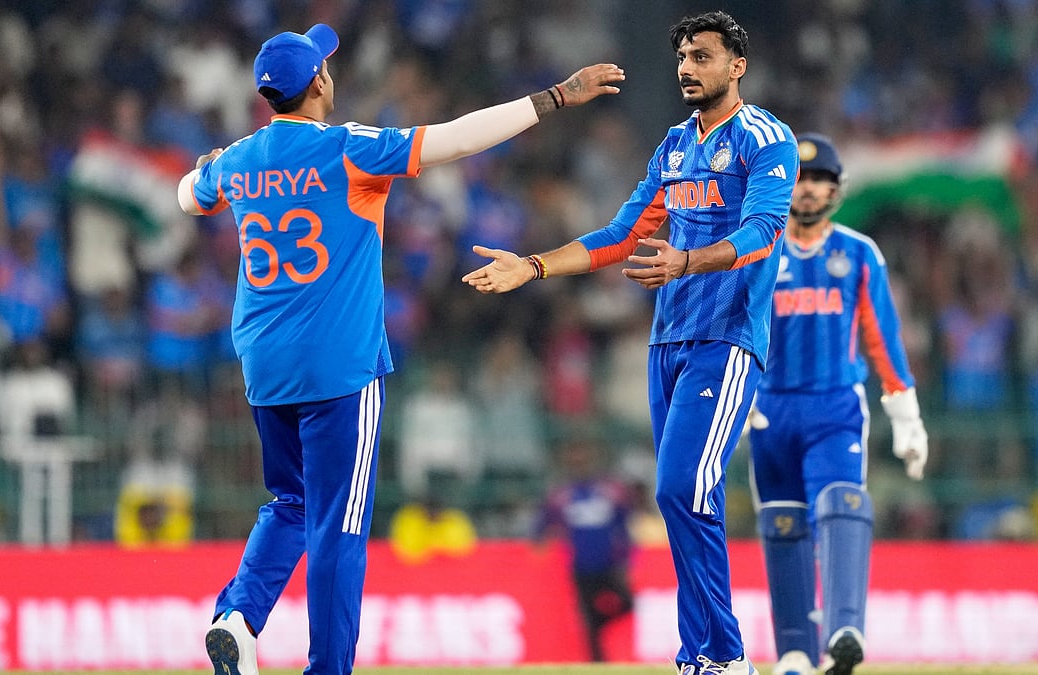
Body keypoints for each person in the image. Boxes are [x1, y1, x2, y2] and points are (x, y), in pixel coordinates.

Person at [176, 22, 624, 675]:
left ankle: (237, 617)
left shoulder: (240, 158)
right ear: (319, 82)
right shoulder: (350, 148)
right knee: (338, 523)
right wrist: (553, 97)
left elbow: (189, 197)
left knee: (290, 503)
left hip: (265, 362)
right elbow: (457, 137)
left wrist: (204, 169)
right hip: (340, 365)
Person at [463, 11, 796, 675]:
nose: (686, 68)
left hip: (727, 338)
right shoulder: (674, 146)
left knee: (680, 486)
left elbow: (764, 231)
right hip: (666, 341)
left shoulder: (765, 138)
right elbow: (622, 234)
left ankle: (725, 654)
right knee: (686, 498)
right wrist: (533, 266)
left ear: (737, 66)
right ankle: (700, 657)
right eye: (682, 57)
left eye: (702, 56)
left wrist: (686, 261)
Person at [743, 133, 929, 675]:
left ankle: (844, 631)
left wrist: (906, 415)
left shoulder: (859, 253)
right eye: (800, 179)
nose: (808, 190)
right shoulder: (756, 249)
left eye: (820, 180)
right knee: (782, 524)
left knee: (841, 504)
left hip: (835, 409)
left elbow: (882, 337)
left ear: (836, 190)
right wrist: (735, 395)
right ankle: (795, 652)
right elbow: (733, 325)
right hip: (770, 409)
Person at [533, 438, 635, 662]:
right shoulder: (562, 494)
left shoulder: (610, 491)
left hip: (609, 563)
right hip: (581, 565)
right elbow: (544, 521)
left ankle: (598, 623)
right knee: (588, 618)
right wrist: (542, 539)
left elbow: (624, 525)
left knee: (628, 604)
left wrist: (626, 559)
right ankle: (598, 663)